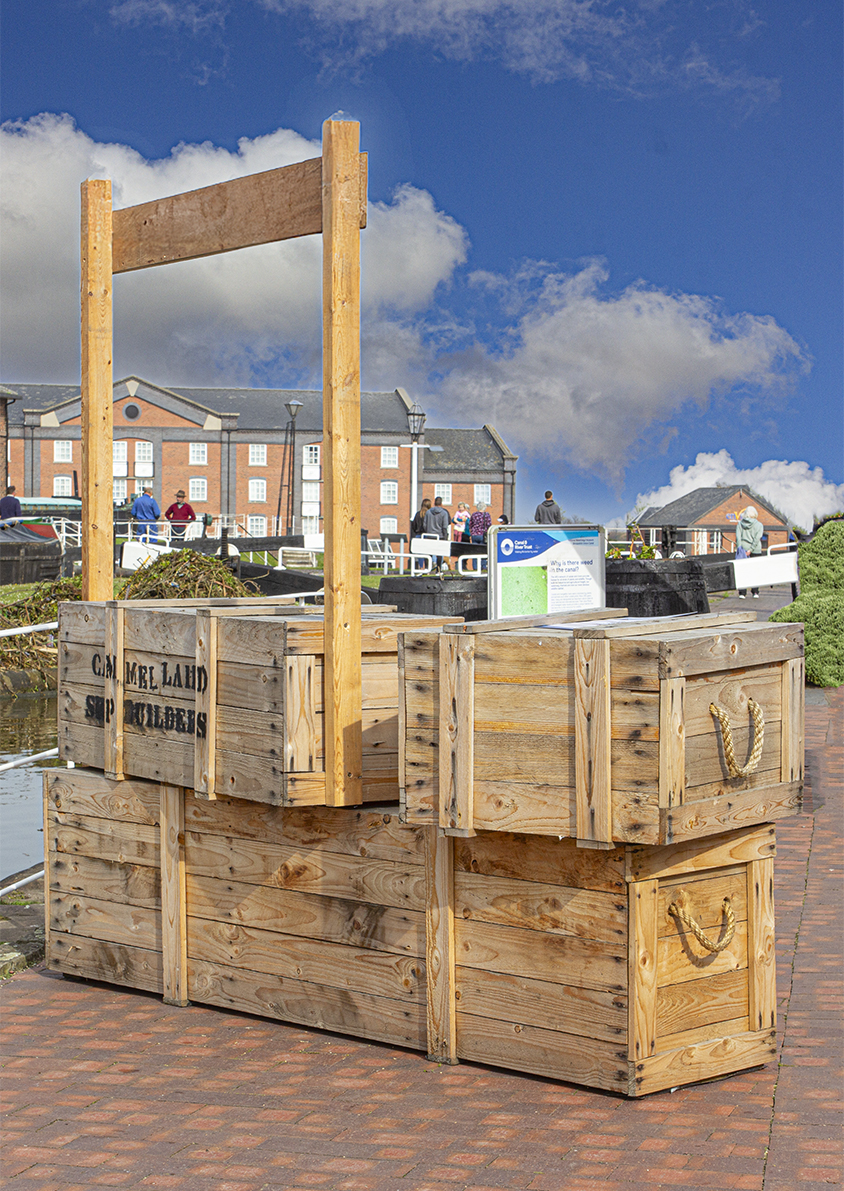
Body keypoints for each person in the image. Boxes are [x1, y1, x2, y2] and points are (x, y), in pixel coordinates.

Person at [735, 505, 763, 598]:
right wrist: (751, 549)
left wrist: (740, 548)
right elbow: (757, 538)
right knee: (755, 571)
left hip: (743, 549)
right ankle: (755, 592)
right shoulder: (759, 525)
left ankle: (742, 593)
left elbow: (738, 537)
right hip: (755, 550)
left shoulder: (740, 524)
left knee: (742, 571)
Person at [424, 496, 451, 573]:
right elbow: (445, 526)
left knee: (429, 553)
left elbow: (425, 525)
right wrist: (445, 537)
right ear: (441, 503)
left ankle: (427, 569)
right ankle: (438, 569)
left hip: (430, 535)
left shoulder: (428, 512)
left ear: (434, 503)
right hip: (440, 535)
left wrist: (428, 531)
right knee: (439, 553)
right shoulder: (444, 513)